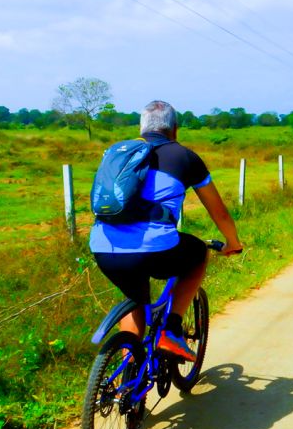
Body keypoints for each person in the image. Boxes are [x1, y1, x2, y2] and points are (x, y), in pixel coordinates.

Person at [90, 100, 243, 361]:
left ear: (141, 128)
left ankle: (124, 379)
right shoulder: (185, 157)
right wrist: (232, 242)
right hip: (154, 249)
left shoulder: (118, 153)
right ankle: (171, 331)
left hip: (103, 245)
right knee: (197, 252)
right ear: (174, 129)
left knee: (134, 297)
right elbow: (219, 212)